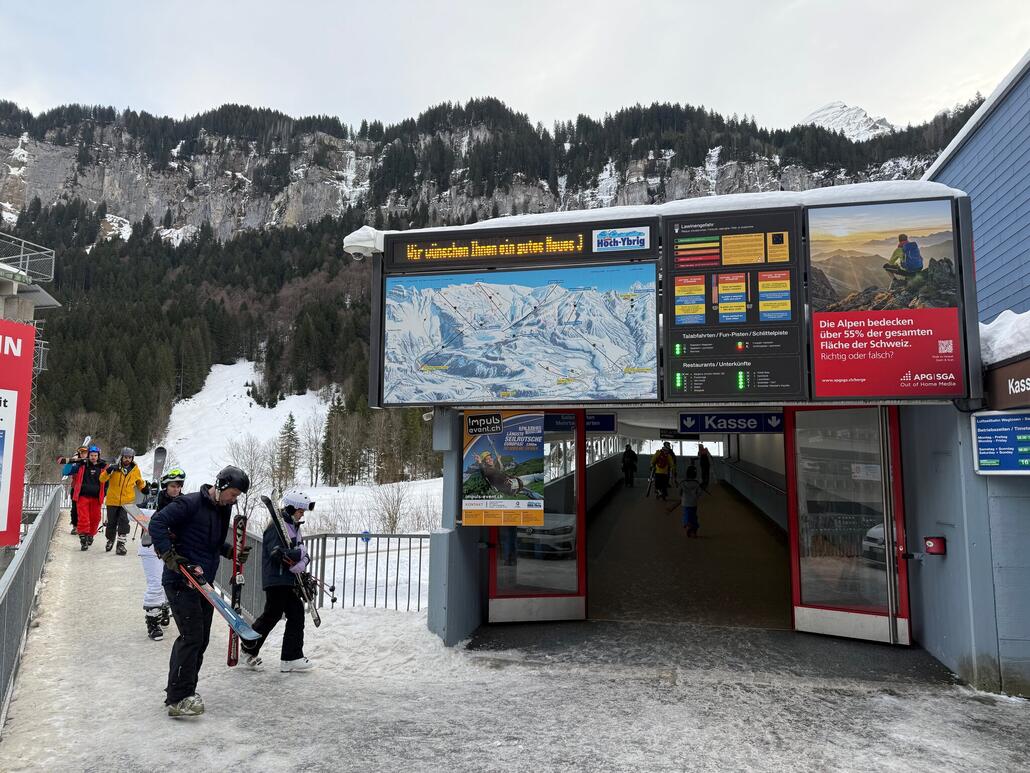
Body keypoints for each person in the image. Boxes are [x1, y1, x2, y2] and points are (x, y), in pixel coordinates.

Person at [149, 465, 251, 718]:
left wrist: (229, 551)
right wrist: (168, 554)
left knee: (201, 638)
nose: (234, 499)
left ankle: (186, 690)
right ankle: (177, 698)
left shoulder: (223, 509)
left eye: (237, 496)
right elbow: (157, 523)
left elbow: (209, 542)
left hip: (203, 583)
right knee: (191, 636)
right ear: (222, 486)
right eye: (233, 494)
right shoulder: (190, 503)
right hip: (180, 580)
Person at [241, 490, 316, 673]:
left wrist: (303, 560)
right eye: (300, 511)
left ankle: (291, 658)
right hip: (277, 578)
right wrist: (300, 554)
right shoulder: (276, 527)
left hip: (287, 579)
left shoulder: (293, 526)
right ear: (291, 509)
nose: (302, 515)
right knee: (272, 614)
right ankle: (248, 648)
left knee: (295, 612)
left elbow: (300, 551)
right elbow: (277, 553)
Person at [139, 468, 186, 640]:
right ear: (166, 486)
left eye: (179, 486)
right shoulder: (154, 500)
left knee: (169, 583)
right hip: (151, 547)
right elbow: (132, 513)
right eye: (173, 486)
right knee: (155, 584)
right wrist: (147, 513)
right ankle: (152, 621)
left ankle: (164, 606)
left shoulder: (184, 503)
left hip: (171, 549)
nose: (176, 489)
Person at [100, 447, 146, 555]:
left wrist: (144, 488)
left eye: (129, 457)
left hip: (127, 502)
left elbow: (139, 482)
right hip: (113, 500)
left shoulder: (135, 470)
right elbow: (102, 479)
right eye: (125, 457)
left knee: (124, 522)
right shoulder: (114, 468)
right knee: (111, 522)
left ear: (132, 458)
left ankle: (121, 544)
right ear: (121, 457)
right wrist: (108, 470)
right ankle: (110, 540)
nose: (127, 459)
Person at [63, 445, 107, 551]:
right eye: (91, 455)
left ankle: (91, 534)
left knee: (96, 518)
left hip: (96, 497)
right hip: (83, 496)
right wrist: (70, 462)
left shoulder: (103, 467)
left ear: (98, 456)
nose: (93, 457)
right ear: (88, 455)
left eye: (95, 455)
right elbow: (66, 472)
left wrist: (105, 492)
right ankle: (83, 538)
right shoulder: (81, 465)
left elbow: (108, 481)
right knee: (83, 518)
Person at [58, 444, 90, 534]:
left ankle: (85, 526)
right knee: (75, 509)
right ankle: (75, 526)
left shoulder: (91, 463)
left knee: (86, 509)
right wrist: (71, 461)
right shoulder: (76, 464)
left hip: (88, 490)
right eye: (82, 453)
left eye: (85, 453)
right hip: (76, 489)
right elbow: (65, 472)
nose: (84, 454)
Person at [668, 466, 706, 537]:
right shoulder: (697, 484)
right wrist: (695, 497)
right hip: (693, 503)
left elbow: (679, 492)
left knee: (686, 514)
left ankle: (688, 525)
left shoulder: (683, 483)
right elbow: (699, 493)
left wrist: (682, 497)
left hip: (685, 502)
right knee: (693, 515)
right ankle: (694, 529)